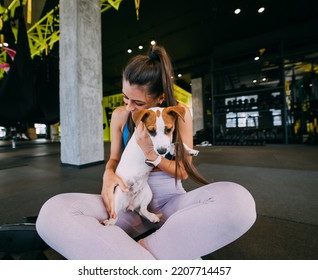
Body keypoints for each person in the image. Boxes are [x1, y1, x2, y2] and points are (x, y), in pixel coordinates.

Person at [36, 45, 256, 260]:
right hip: (125, 201)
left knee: (239, 203)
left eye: (138, 102)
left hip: (169, 203)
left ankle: (139, 251)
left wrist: (151, 153)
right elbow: (114, 158)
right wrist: (108, 174)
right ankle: (162, 252)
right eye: (125, 97)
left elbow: (183, 171)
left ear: (159, 98)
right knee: (52, 213)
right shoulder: (121, 116)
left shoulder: (178, 114)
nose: (129, 106)